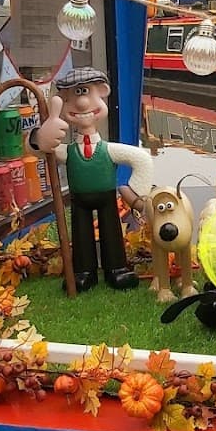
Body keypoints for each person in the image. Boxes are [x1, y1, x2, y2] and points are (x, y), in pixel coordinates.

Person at [29, 67, 153, 293]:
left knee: (111, 230)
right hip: (79, 200)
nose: (82, 103)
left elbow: (141, 159)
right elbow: (36, 150)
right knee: (81, 233)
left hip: (107, 198)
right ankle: (84, 271)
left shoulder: (109, 150)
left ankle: (116, 268)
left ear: (103, 92)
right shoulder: (68, 151)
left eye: (86, 92)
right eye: (73, 96)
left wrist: (136, 193)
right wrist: (39, 138)